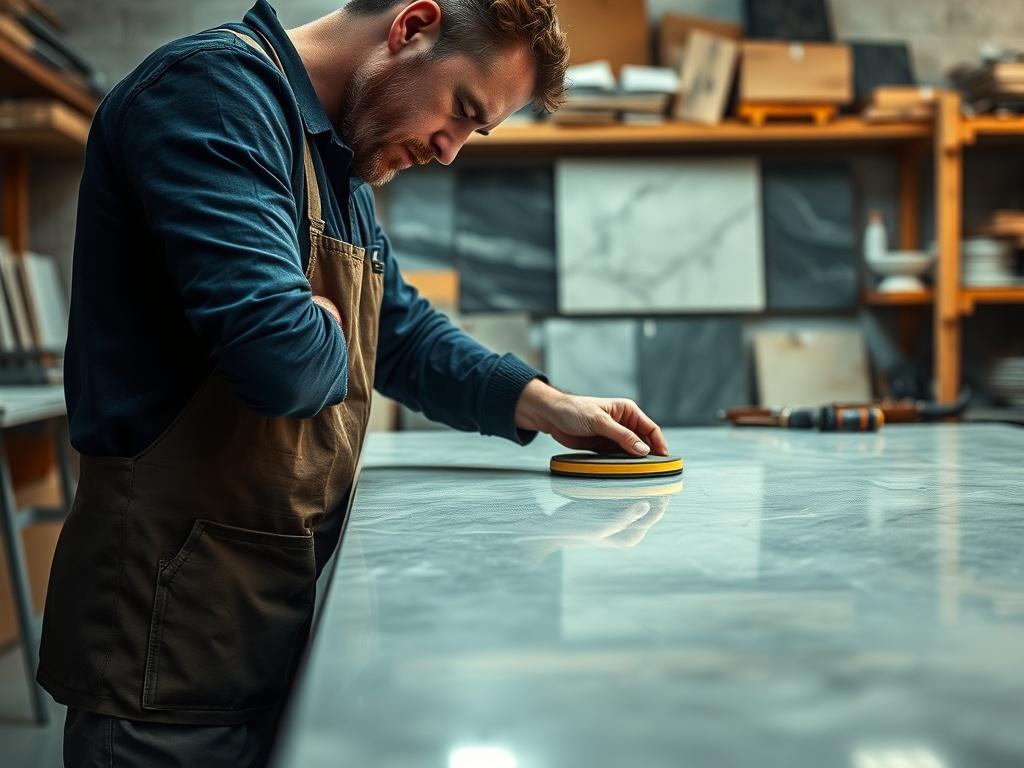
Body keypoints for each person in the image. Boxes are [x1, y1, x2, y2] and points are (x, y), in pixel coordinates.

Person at [38, 1, 669, 765]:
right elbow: (278, 358)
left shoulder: (338, 163)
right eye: (462, 111)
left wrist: (544, 402)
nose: (450, 150)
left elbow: (397, 331)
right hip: (165, 642)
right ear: (412, 27)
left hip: (264, 621)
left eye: (477, 131)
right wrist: (312, 324)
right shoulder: (212, 95)